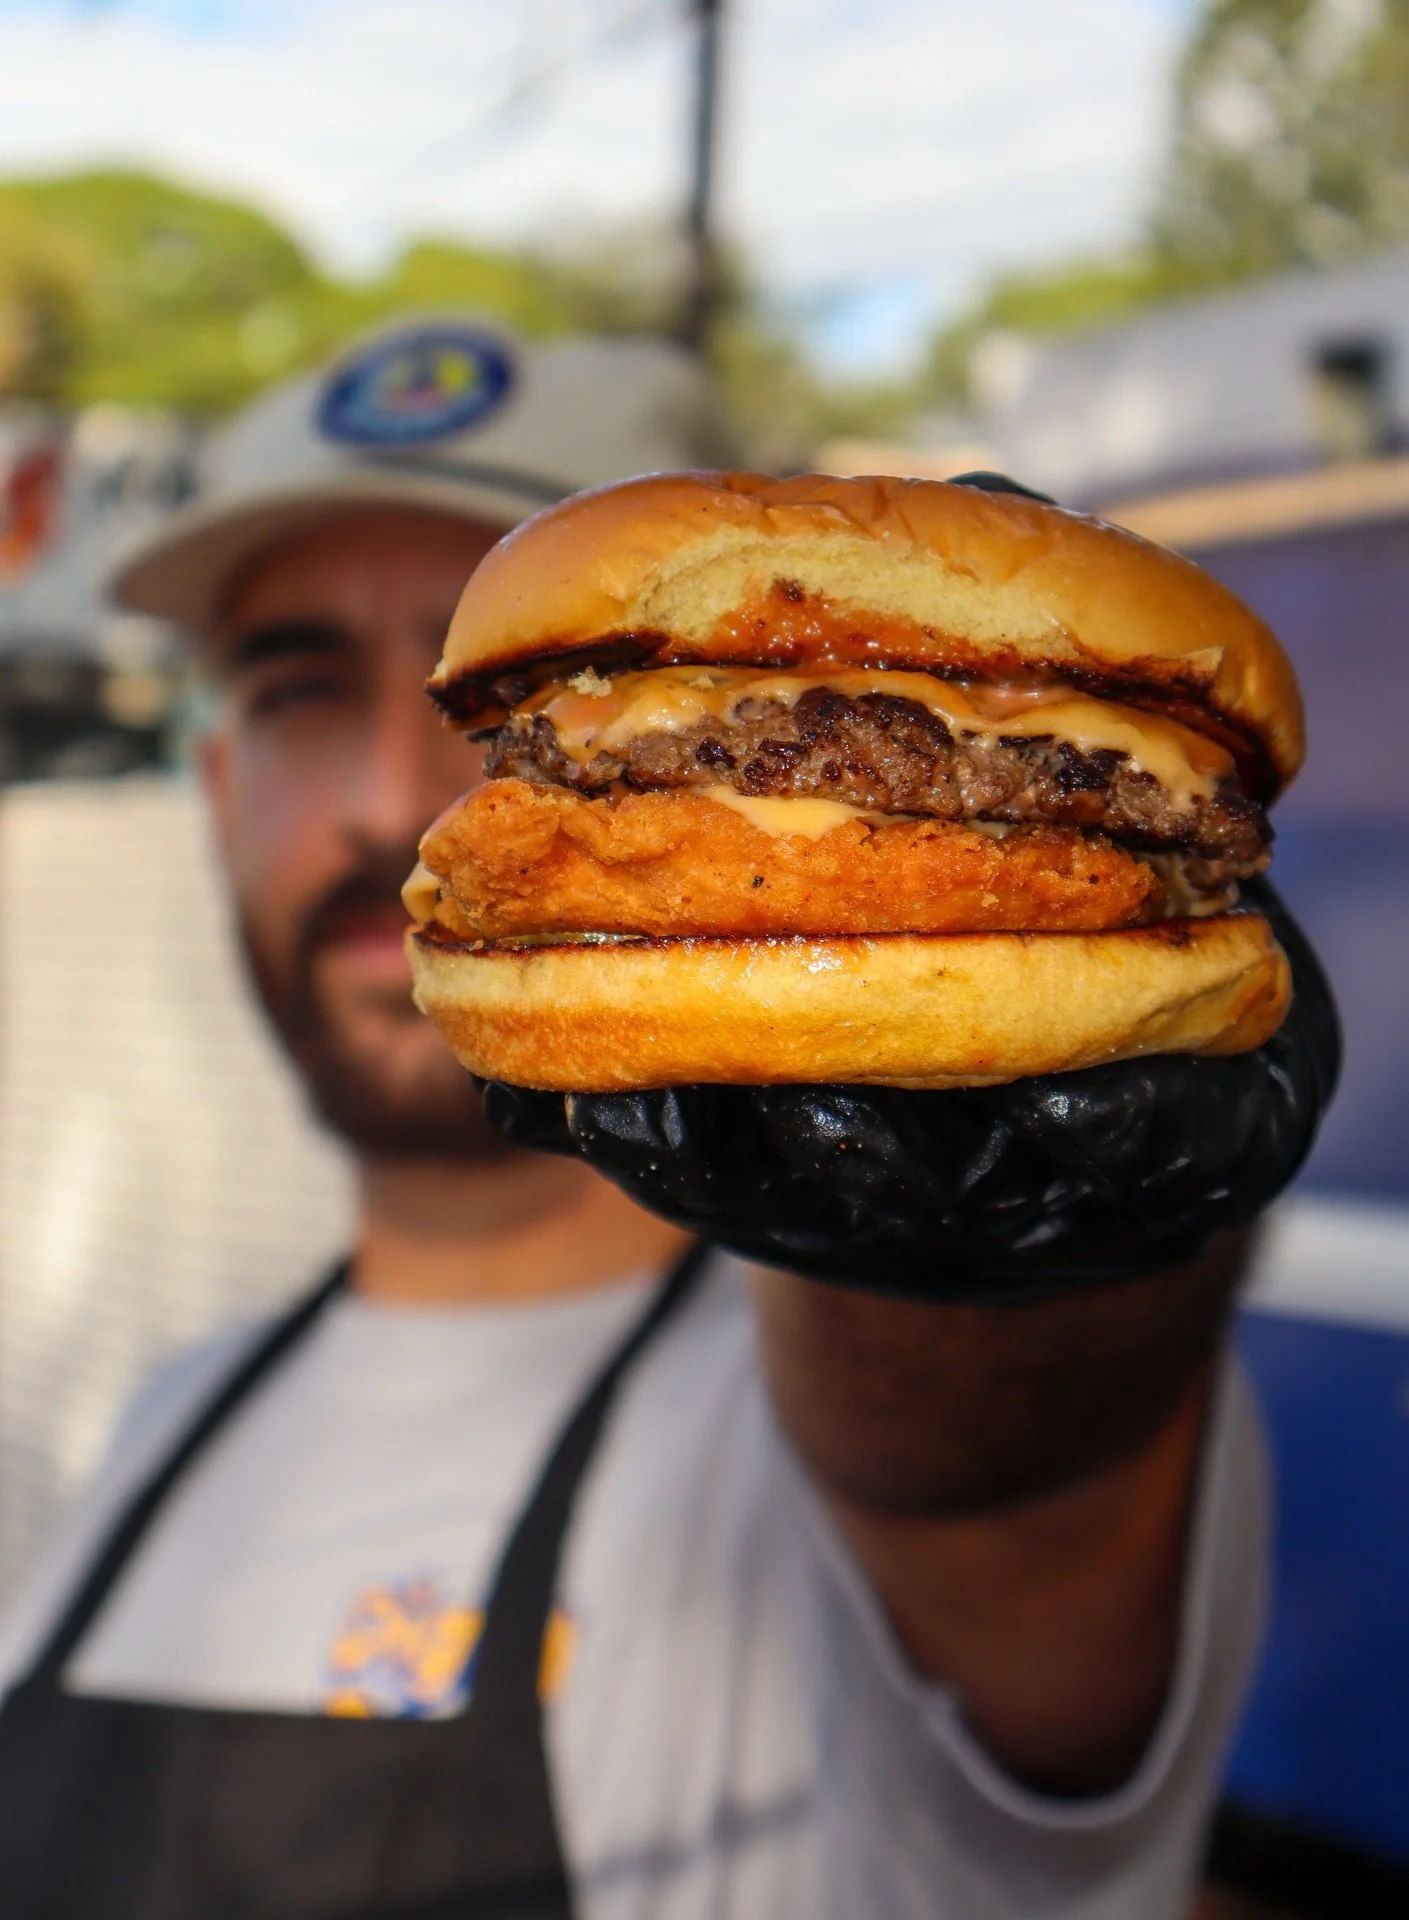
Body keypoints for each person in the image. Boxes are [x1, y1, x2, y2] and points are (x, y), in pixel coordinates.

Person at [0, 318, 1278, 1918]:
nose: (397, 794)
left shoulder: (845, 1438)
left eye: (548, 691)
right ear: (212, 787)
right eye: (302, 686)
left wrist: (1032, 1261)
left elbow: (997, 1486)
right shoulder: (157, 1422)